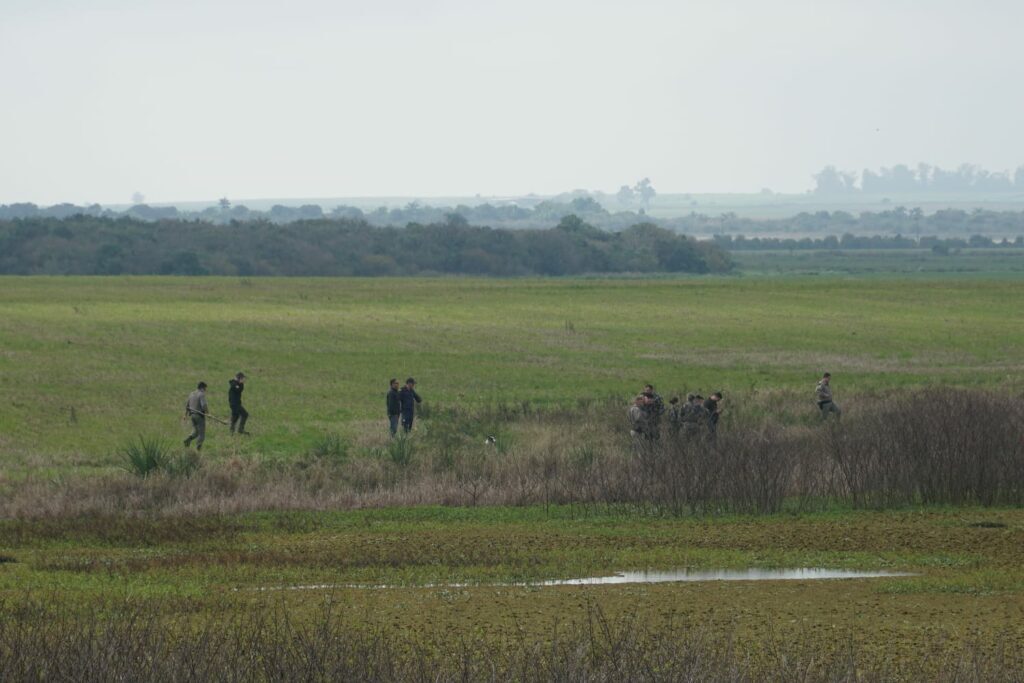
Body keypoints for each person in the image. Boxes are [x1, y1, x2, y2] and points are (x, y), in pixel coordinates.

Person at [183, 381, 209, 450]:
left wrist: (185, 415)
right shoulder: (201, 394)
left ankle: (188, 439)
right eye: (205, 388)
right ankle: (198, 448)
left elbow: (187, 405)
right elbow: (204, 405)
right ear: (202, 388)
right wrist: (207, 412)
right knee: (201, 434)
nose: (205, 390)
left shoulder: (191, 394)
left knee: (195, 431)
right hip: (199, 415)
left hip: (192, 415)